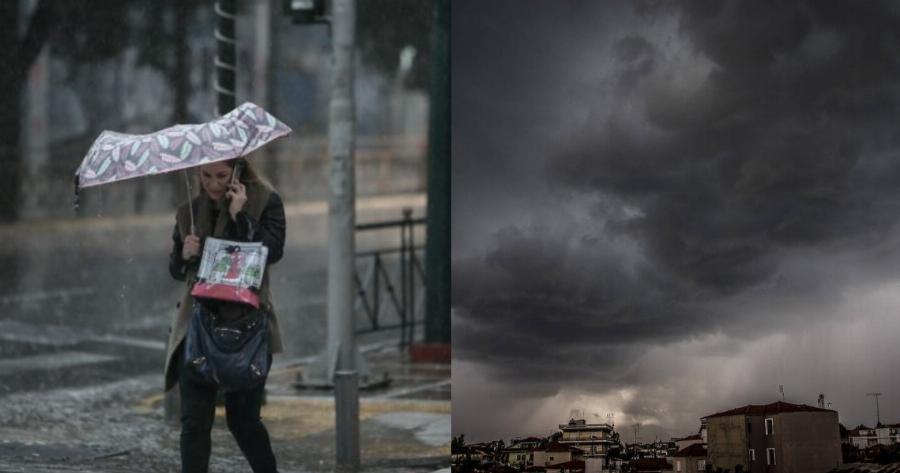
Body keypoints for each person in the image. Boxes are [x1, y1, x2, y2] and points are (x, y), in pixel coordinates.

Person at [164, 157, 286, 473]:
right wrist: (184, 254)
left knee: (243, 421)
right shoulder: (188, 212)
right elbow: (178, 271)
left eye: (221, 175)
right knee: (194, 423)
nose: (214, 184)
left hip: (246, 327)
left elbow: (272, 251)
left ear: (237, 171)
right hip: (197, 327)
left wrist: (241, 216)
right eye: (205, 176)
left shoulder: (264, 201)